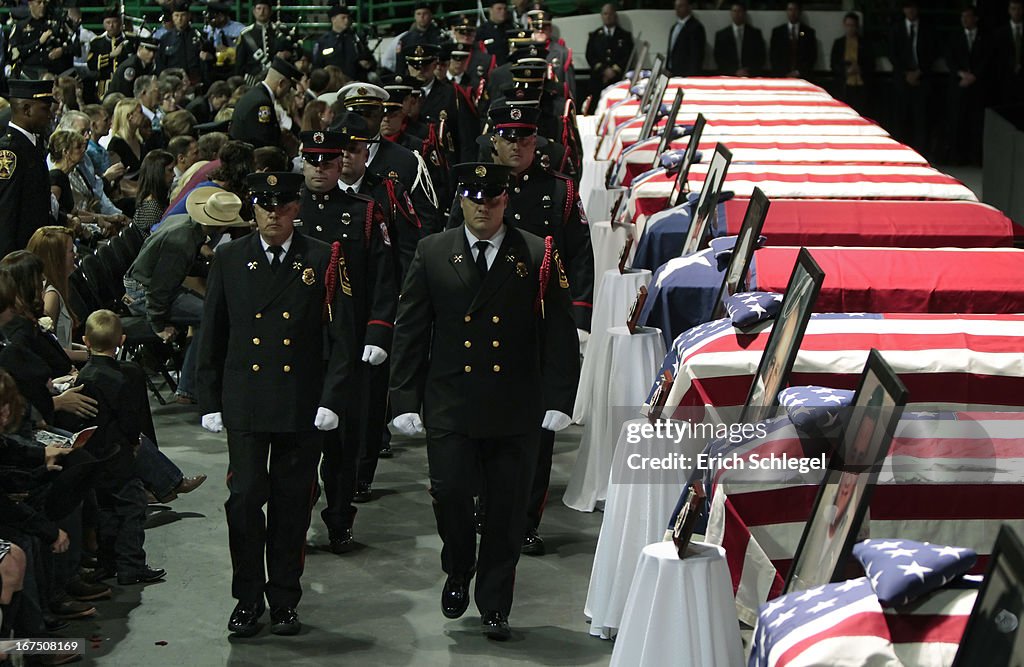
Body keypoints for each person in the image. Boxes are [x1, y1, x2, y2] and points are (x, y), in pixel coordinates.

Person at [390, 162, 579, 640]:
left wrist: (560, 396)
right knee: (451, 492)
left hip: (514, 403)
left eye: (491, 200)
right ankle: (458, 565)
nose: (482, 207)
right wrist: (403, 399)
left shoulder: (535, 252)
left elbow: (558, 331)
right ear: (460, 201)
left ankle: (495, 602)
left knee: (506, 510)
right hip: (451, 400)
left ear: (505, 202)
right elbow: (411, 328)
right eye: (474, 199)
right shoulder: (435, 252)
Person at [196, 171, 356, 638]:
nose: (273, 213)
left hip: (300, 402)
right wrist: (208, 398)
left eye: (283, 205)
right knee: (244, 500)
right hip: (246, 399)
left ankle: (284, 599)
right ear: (254, 208)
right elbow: (213, 333)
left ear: (296, 208)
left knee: (291, 505)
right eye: (265, 205)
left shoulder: (323, 257)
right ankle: (246, 598)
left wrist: (332, 399)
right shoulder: (230, 258)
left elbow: (341, 337)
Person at [450, 105, 590, 555]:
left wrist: (580, 320)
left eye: (524, 139)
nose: (515, 146)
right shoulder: (473, 190)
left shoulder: (560, 191)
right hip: (480, 322)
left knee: (536, 433)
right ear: (494, 141)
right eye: (507, 138)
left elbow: (578, 255)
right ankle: (482, 504)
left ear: (536, 142)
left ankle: (526, 519)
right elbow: (451, 251)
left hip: (536, 323)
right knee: (478, 424)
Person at [298, 126, 398, 553]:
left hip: (348, 344)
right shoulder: (288, 208)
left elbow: (383, 277)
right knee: (299, 445)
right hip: (298, 347)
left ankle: (339, 519)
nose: (319, 169)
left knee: (343, 443)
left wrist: (377, 330)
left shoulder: (364, 212)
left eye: (328, 161)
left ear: (342, 164)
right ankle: (297, 516)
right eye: (312, 160)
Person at [125, 187, 249, 404]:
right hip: (144, 294)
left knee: (208, 314)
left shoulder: (186, 223)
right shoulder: (181, 241)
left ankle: (189, 386)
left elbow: (182, 268)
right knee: (211, 316)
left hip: (150, 287)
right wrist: (158, 325)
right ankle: (191, 387)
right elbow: (159, 289)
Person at [77, 310, 167, 586]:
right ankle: (131, 565)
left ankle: (107, 563)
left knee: (105, 509)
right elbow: (130, 421)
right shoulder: (121, 378)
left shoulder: (83, 376)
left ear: (85, 341)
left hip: (94, 455)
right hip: (119, 455)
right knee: (132, 507)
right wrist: (134, 442)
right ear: (122, 340)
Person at [334, 82, 441, 234]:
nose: (362, 121)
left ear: (381, 116)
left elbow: (425, 220)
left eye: (369, 114)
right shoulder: (330, 159)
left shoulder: (406, 161)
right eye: (356, 115)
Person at [0, 80, 56, 258]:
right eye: (45, 109)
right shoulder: (10, 151)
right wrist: (9, 262)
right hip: (20, 252)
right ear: (26, 109)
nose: (50, 115)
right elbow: (6, 211)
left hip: (35, 247)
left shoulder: (33, 143)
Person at [26, 226, 85, 364]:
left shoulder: (50, 289)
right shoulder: (51, 297)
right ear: (56, 259)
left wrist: (88, 350)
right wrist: (89, 356)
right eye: (71, 251)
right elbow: (48, 349)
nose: (75, 255)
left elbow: (59, 343)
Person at [888, 1, 936, 156]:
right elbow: (892, 54)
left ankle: (921, 153)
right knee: (902, 117)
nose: (910, 10)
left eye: (913, 7)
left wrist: (919, 71)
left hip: (922, 79)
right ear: (904, 10)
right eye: (907, 7)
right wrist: (906, 73)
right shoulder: (896, 29)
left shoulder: (928, 29)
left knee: (921, 119)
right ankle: (901, 152)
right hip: (902, 80)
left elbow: (932, 53)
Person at [230, 56, 303, 149]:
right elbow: (264, 141)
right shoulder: (262, 103)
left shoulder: (256, 94)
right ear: (281, 83)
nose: (287, 92)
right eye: (288, 88)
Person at [9, 0, 74, 78]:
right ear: (30, 4)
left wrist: (62, 50)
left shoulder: (57, 24)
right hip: (29, 72)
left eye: (44, 2)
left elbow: (74, 46)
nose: (42, 6)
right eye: (39, 2)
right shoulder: (21, 26)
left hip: (54, 73)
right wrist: (39, 42)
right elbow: (13, 53)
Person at [157, 0, 214, 87]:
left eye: (183, 15)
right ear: (172, 17)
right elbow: (161, 65)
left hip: (196, 83)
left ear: (189, 16)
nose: (179, 19)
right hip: (173, 84)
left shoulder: (200, 36)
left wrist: (209, 57)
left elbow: (212, 58)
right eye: (176, 15)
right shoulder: (165, 39)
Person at [312, 4, 375, 82]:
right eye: (343, 18)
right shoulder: (323, 41)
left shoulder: (356, 38)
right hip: (332, 84)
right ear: (333, 19)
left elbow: (370, 61)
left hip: (355, 82)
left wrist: (367, 64)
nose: (346, 20)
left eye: (348, 17)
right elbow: (317, 66)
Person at [586, 3, 634, 103]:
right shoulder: (595, 35)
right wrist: (604, 70)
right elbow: (590, 55)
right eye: (605, 14)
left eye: (610, 14)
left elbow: (628, 56)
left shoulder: (625, 36)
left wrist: (614, 70)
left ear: (615, 16)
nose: (608, 17)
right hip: (598, 80)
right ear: (601, 16)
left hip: (617, 80)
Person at [830, 12, 873, 116]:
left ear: (857, 27)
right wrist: (846, 71)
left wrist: (860, 69)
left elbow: (871, 64)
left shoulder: (865, 43)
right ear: (844, 25)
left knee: (861, 114)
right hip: (844, 86)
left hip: (860, 86)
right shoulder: (839, 43)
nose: (850, 28)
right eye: (848, 25)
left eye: (853, 25)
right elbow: (833, 64)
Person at [87, 9, 131, 99]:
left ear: (120, 23)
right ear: (103, 24)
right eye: (108, 22)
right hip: (104, 87)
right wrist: (111, 55)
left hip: (125, 85)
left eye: (114, 22)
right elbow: (91, 64)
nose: (111, 26)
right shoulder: (96, 43)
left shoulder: (129, 41)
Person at [714, 2, 766, 77]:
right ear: (731, 13)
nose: (737, 14)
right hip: (729, 75)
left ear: (744, 13)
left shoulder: (755, 34)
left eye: (739, 11)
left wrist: (748, 70)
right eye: (734, 11)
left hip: (751, 75)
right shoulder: (721, 35)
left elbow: (761, 56)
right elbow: (719, 58)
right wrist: (734, 71)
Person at [132, 149, 175, 238]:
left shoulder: (156, 201)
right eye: (170, 170)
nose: (174, 174)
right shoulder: (152, 206)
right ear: (158, 173)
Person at [396, 2, 446, 77]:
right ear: (414, 16)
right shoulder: (405, 39)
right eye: (418, 14)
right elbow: (400, 65)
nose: (422, 17)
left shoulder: (440, 37)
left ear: (431, 15)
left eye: (425, 13)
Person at [770, 1, 817, 78]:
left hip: (802, 76)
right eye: (790, 9)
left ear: (800, 12)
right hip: (781, 75)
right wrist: (784, 73)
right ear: (786, 12)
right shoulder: (777, 32)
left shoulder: (808, 32)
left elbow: (812, 56)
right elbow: (773, 56)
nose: (792, 13)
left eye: (795, 9)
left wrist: (798, 72)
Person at [235, 0, 277, 84]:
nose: (262, 12)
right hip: (252, 80)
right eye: (259, 8)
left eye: (265, 8)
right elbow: (240, 62)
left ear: (270, 11)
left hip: (274, 79)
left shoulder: (278, 31)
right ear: (254, 11)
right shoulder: (245, 34)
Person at [106, 98, 148, 179]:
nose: (144, 116)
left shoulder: (139, 140)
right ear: (129, 116)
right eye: (140, 112)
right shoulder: (116, 144)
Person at [993, 0, 1024, 105]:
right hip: (1005, 80)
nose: (1016, 12)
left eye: (1019, 9)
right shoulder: (999, 33)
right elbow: (996, 57)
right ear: (1009, 11)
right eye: (1013, 9)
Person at [666, 0, 706, 77]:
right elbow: (671, 50)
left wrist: (691, 76)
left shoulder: (696, 27)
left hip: (686, 74)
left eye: (680, 6)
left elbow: (697, 55)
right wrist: (668, 68)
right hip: (673, 72)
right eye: (676, 6)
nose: (677, 9)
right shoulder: (674, 27)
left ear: (689, 7)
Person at [477, 0, 517, 66]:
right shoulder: (482, 31)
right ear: (490, 10)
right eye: (499, 9)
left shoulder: (512, 29)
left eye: (505, 9)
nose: (503, 12)